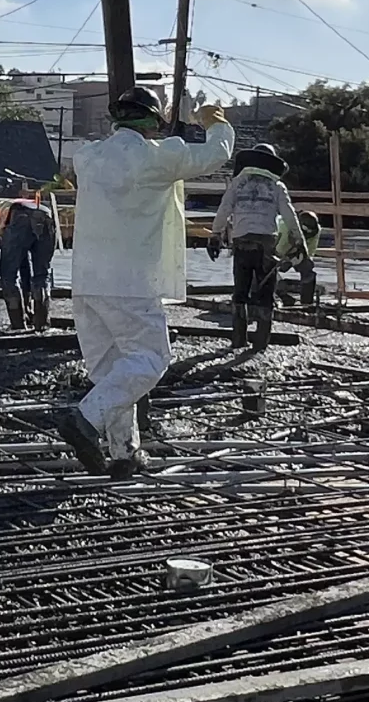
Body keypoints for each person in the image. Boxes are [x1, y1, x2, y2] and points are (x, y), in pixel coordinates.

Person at [40, 87, 235, 476]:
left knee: (115, 371)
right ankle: (84, 419)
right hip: (130, 283)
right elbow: (216, 154)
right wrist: (217, 123)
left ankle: (124, 453)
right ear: (152, 123)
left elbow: (83, 162)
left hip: (87, 283)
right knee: (150, 359)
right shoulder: (158, 158)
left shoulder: (89, 157)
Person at [209, 141, 300, 348]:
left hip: (241, 242)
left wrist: (215, 235)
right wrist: (299, 239)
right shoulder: (277, 186)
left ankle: (238, 339)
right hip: (266, 243)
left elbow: (223, 210)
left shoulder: (238, 183)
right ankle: (261, 342)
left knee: (240, 290)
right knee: (266, 292)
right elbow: (289, 214)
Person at [0, 185, 61, 330]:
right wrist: (26, 298)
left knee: (8, 276)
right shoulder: (7, 207)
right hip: (46, 217)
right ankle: (41, 324)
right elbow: (24, 266)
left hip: (20, 217)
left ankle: (18, 325)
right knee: (42, 275)